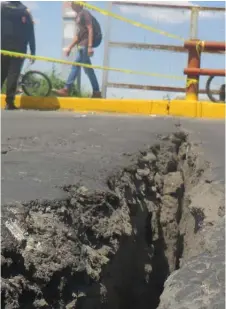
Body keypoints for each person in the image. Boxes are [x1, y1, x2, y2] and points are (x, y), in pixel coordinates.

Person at [54, 2, 102, 98]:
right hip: (81, 44)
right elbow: (77, 35)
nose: (71, 3)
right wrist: (70, 47)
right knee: (88, 69)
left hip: (85, 44)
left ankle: (66, 89)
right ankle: (96, 92)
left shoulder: (85, 13)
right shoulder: (78, 17)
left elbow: (90, 28)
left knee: (76, 65)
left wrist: (89, 46)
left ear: (79, 3)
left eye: (73, 2)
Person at [1, 1, 36, 110]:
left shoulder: (4, 8)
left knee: (6, 73)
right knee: (11, 74)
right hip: (15, 47)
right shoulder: (24, 10)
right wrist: (33, 51)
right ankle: (9, 102)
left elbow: (30, 31)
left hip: (8, 47)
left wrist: (32, 50)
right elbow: (31, 32)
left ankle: (10, 102)